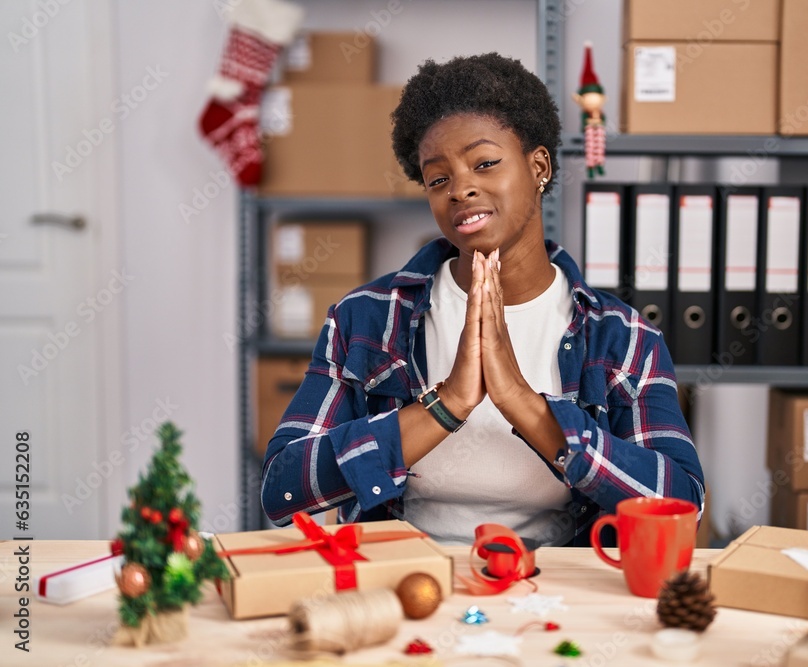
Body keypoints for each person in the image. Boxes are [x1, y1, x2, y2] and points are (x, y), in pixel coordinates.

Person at [260, 53, 704, 547]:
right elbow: (281, 489)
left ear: (538, 167)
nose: (461, 189)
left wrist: (523, 403)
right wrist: (445, 407)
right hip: (408, 579)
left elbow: (682, 505)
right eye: (438, 179)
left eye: (485, 163)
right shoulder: (365, 317)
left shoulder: (622, 337)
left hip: (557, 590)